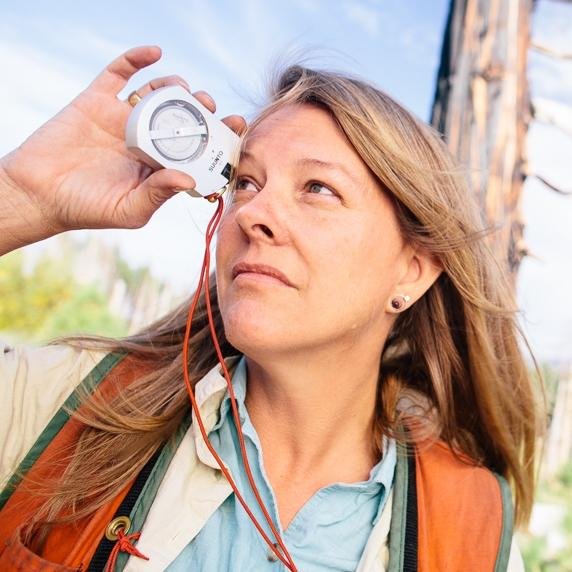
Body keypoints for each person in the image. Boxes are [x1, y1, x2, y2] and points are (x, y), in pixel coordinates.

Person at [0, 45, 539, 571]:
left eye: (318, 188)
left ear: (413, 270)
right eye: (245, 182)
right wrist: (19, 198)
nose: (253, 212)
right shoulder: (67, 408)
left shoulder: (475, 531)